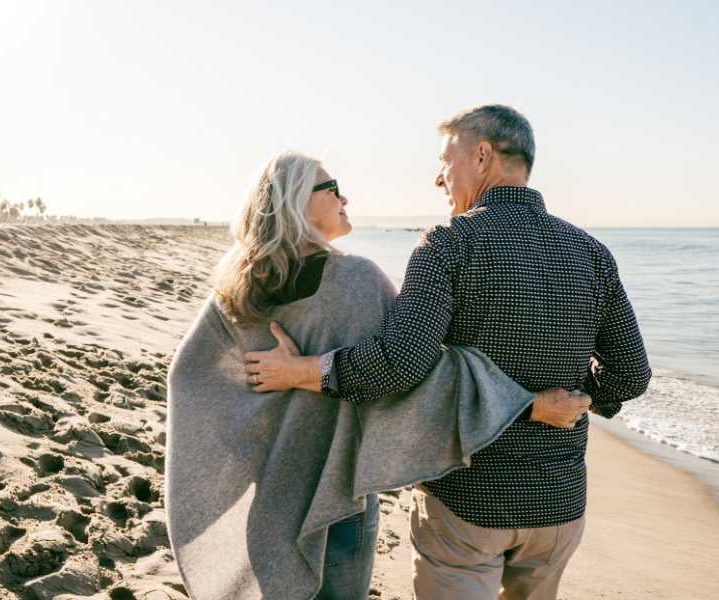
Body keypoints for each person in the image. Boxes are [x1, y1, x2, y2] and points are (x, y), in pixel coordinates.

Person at [244, 105, 651, 600]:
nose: (439, 178)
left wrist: (302, 371)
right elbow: (630, 375)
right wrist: (575, 400)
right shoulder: (590, 251)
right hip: (559, 506)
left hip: (466, 504)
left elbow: (399, 364)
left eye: (445, 160)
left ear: (482, 156)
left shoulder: (448, 244)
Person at [166, 150, 585, 600]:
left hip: (268, 492)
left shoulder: (238, 286)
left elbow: (188, 379)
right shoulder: (356, 281)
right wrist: (530, 403)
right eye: (332, 188)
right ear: (296, 200)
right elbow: (418, 373)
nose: (345, 197)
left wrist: (256, 426)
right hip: (336, 492)